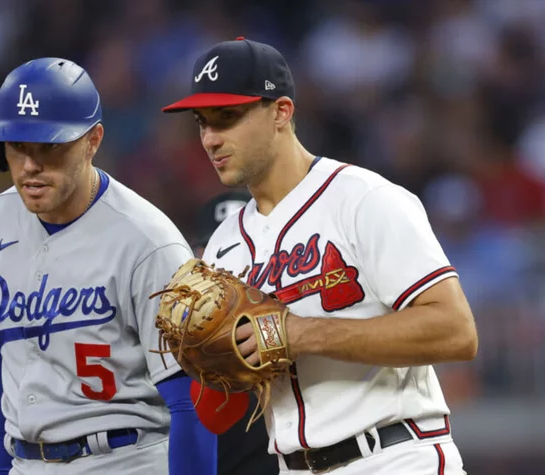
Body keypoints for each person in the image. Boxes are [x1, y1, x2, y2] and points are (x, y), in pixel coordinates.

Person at [162, 37, 478, 474]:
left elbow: (456, 331)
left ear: (281, 112)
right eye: (202, 122)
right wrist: (204, 360)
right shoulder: (223, 245)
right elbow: (219, 415)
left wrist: (300, 334)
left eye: (227, 117)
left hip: (393, 455)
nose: (211, 139)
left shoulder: (363, 199)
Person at [0, 57, 217, 475]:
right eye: (17, 147)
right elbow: (1, 353)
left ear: (92, 140)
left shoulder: (148, 241)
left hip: (123, 459)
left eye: (49, 147)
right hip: (26, 462)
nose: (29, 166)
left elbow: (190, 399)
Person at [194, 191, 279, 475]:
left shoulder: (297, 316)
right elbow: (210, 419)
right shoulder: (182, 337)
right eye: (218, 251)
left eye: (244, 250)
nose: (230, 269)